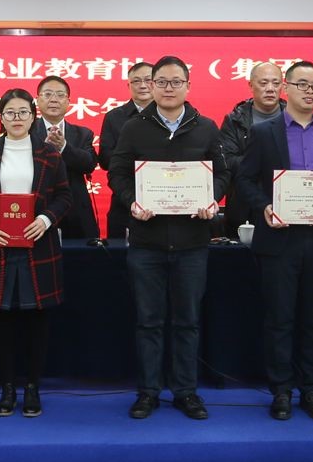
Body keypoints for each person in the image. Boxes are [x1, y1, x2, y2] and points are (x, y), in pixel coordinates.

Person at [108, 56, 228, 420]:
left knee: (187, 321)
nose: (168, 88)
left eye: (176, 82)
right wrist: (132, 201)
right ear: (151, 85)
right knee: (149, 321)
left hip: (192, 243)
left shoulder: (206, 127)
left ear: (188, 86)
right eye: (161, 81)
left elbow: (222, 174)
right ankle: (148, 392)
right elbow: (117, 173)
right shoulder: (134, 127)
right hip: (146, 242)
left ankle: (186, 392)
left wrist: (212, 198)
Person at [236, 61, 313, 421]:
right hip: (280, 239)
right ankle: (281, 391)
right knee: (280, 319)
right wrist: (264, 206)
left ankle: (312, 390)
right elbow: (245, 179)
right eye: (302, 84)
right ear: (285, 88)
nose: (309, 91)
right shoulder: (264, 132)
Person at [0, 88, 72, 418]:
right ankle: (8, 388)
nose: (16, 118)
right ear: (1, 117)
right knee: (3, 323)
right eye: (10, 113)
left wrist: (45, 220)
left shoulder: (49, 155)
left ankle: (32, 387)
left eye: (23, 112)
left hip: (38, 247)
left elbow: (64, 197)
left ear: (33, 116)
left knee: (36, 322)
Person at [219, 62, 285, 238]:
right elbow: (227, 160)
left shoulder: (293, 118)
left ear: (283, 86)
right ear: (251, 85)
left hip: (286, 204)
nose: (270, 89)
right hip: (243, 207)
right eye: (263, 83)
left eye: (276, 83)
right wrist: (266, 164)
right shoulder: (234, 120)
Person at [31, 75, 99, 241]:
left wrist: (64, 147)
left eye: (60, 95)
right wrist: (44, 151)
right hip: (37, 212)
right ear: (37, 100)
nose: (54, 99)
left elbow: (89, 163)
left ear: (68, 102)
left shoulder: (82, 133)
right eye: (48, 94)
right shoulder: (27, 132)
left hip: (76, 212)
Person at [98, 61, 154, 240]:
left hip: (162, 197)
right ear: (128, 85)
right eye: (136, 81)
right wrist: (138, 162)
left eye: (148, 80)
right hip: (124, 200)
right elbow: (105, 159)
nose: (143, 85)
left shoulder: (170, 116)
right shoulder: (114, 117)